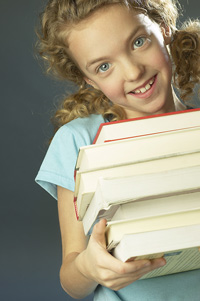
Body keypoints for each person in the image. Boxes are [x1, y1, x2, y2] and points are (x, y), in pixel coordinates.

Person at [35, 0, 200, 300]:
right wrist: (88, 268)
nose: (134, 72)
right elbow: (71, 279)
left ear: (163, 29)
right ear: (90, 80)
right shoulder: (78, 142)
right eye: (104, 66)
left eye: (139, 42)